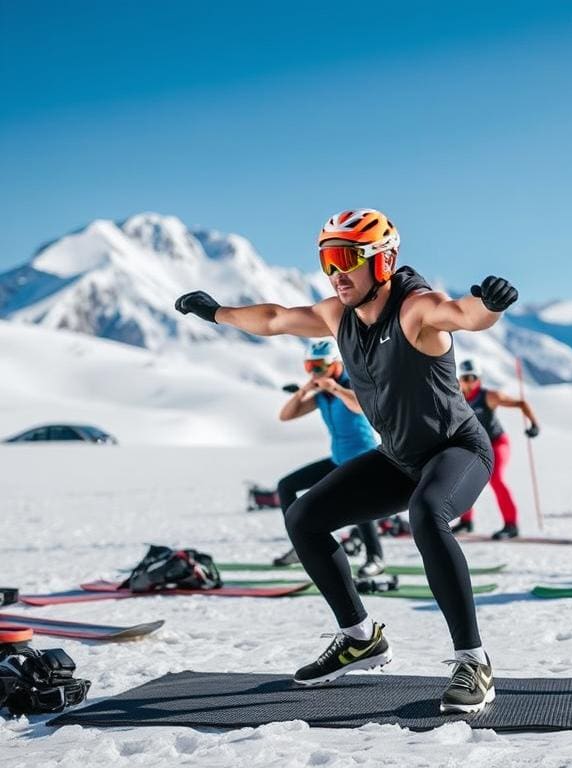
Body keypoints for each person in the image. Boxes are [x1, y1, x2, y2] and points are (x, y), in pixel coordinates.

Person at [175, 208, 517, 714]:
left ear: (384, 260)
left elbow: (463, 315)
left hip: (457, 450)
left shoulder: (415, 310)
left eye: (346, 259)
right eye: (327, 260)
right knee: (304, 516)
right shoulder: (339, 315)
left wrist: (490, 305)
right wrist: (217, 312)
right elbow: (273, 319)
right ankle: (360, 638)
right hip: (398, 458)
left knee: (427, 515)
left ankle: (474, 661)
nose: (335, 274)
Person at [272, 338, 385, 578]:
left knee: (359, 501)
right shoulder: (321, 395)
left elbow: (359, 406)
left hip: (364, 459)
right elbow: (285, 416)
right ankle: (300, 545)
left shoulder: (354, 383)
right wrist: (305, 390)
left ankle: (375, 557)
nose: (314, 372)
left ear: (335, 364)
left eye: (319, 366)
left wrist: (334, 388)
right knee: (286, 486)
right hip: (337, 459)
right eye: (309, 367)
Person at [450, 359, 540, 539]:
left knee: (496, 478)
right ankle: (467, 522)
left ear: (479, 379)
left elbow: (521, 403)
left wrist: (534, 425)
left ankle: (511, 525)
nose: (468, 381)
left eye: (472, 377)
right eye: (464, 377)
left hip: (497, 442)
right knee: (464, 481)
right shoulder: (457, 399)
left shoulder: (489, 396)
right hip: (476, 447)